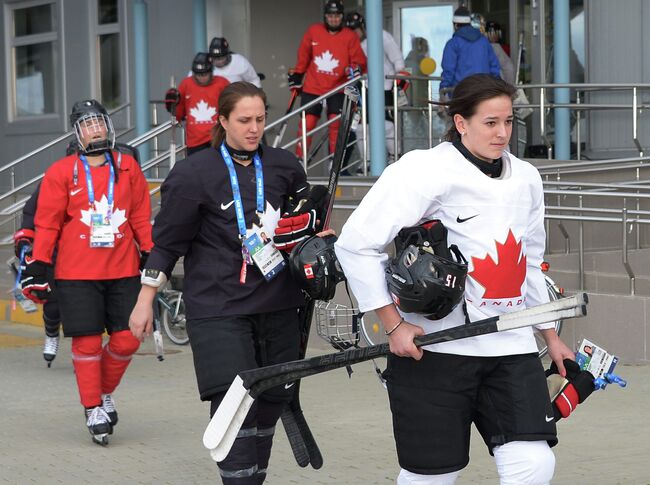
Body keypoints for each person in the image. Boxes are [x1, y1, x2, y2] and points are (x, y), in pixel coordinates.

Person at [334, 74, 575, 484]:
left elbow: (530, 262)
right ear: (461, 123)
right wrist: (392, 325)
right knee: (431, 476)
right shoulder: (426, 170)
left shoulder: (527, 179)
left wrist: (550, 337)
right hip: (435, 351)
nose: (502, 133)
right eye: (490, 123)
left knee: (534, 464)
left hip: (510, 348)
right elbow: (355, 244)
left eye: (509, 122)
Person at [129, 82, 328, 484]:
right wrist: (145, 298)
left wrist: (320, 244)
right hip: (219, 308)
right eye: (244, 120)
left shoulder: (285, 167)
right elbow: (167, 243)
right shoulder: (192, 173)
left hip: (279, 303)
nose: (254, 128)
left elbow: (304, 229)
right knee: (234, 404)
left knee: (273, 400)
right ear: (222, 120)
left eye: (260, 119)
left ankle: (254, 478)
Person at [21, 99, 153, 445]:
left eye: (99, 122)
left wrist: (151, 252)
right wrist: (38, 263)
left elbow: (140, 215)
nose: (95, 128)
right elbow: (47, 224)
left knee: (128, 338)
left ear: (109, 126)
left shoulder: (128, 167)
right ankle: (92, 405)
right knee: (88, 341)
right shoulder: (62, 171)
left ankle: (103, 389)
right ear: (77, 132)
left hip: (123, 267)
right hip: (76, 272)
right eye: (87, 124)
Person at [289, 0, 366, 161]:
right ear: (325, 17)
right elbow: (304, 55)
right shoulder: (313, 31)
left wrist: (354, 68)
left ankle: (334, 161)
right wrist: (297, 74)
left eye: (337, 16)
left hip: (338, 87)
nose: (334, 19)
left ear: (341, 17)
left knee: (335, 125)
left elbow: (359, 61)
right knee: (306, 124)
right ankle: (299, 160)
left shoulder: (349, 36)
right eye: (330, 16)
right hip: (313, 86)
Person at [345, 11, 409, 163]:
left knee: (387, 125)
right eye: (351, 31)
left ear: (362, 27)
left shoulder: (381, 36)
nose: (354, 34)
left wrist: (400, 79)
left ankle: (395, 158)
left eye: (356, 30)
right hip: (362, 89)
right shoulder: (350, 43)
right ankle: (365, 162)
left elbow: (398, 59)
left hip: (385, 87)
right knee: (360, 128)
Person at [14, 186, 61, 367]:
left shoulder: (105, 178)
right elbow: (30, 211)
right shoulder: (53, 179)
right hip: (53, 251)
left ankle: (84, 353)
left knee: (86, 307)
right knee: (53, 304)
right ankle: (51, 333)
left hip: (90, 250)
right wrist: (24, 237)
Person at [166, 52, 230, 156]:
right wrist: (170, 104)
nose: (202, 77)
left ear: (211, 72)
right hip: (195, 142)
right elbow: (178, 114)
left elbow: (232, 107)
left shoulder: (222, 83)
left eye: (205, 74)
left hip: (219, 138)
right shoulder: (186, 84)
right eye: (198, 74)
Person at [439, 7, 500, 96]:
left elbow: (448, 71)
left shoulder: (452, 44)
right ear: (469, 23)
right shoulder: (484, 41)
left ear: (455, 25)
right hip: (484, 91)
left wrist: (443, 89)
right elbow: (494, 67)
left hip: (461, 92)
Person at [486, 21, 515, 85]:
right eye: (491, 33)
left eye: (495, 33)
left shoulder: (504, 47)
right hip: (497, 84)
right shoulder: (496, 47)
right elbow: (509, 68)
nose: (493, 36)